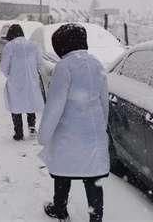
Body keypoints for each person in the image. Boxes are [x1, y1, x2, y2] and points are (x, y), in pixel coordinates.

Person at [38, 24, 109, 222]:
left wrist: (44, 136)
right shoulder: (97, 64)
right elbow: (104, 102)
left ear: (62, 45)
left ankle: (59, 208)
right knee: (93, 178)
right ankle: (96, 217)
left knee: (63, 172)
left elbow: (54, 106)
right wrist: (102, 128)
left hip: (69, 133)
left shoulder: (64, 67)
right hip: (92, 134)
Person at [0, 24, 44, 141]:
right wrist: (34, 74)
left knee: (15, 105)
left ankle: (18, 132)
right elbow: (40, 63)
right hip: (31, 80)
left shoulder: (9, 46)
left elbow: (4, 66)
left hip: (15, 81)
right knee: (31, 103)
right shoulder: (34, 45)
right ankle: (32, 127)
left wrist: (10, 75)